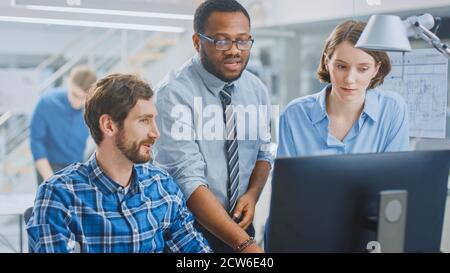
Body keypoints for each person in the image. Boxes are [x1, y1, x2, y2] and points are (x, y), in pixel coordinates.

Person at [26, 74, 211, 253]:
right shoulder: (59, 196)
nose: (155, 133)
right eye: (144, 121)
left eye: (154, 120)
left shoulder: (163, 187)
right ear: (109, 125)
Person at [153, 0, 273, 253]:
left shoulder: (256, 89)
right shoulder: (173, 94)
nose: (235, 50)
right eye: (222, 41)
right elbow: (187, 178)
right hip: (187, 234)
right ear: (197, 42)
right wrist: (246, 246)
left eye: (243, 40)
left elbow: (263, 152)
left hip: (240, 229)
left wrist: (252, 194)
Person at [277, 20, 410, 157]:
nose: (349, 79)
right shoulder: (294, 114)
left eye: (363, 69)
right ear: (327, 62)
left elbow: (396, 175)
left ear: (376, 69)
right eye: (341, 66)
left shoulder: (392, 109)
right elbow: (286, 177)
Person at [30, 64, 97, 185]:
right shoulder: (47, 103)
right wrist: (50, 180)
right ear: (69, 82)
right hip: (48, 166)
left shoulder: (93, 109)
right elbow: (36, 142)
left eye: (83, 98)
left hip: (75, 168)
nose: (78, 101)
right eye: (75, 94)